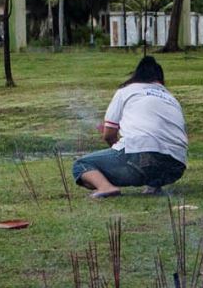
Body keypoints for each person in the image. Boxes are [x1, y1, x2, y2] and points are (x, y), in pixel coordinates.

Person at [73, 56, 188, 194]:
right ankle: (154, 186)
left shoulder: (126, 91)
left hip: (141, 156)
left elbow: (109, 135)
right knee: (151, 155)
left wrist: (117, 146)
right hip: (176, 166)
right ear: (160, 80)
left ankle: (106, 188)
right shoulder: (171, 98)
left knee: (81, 165)